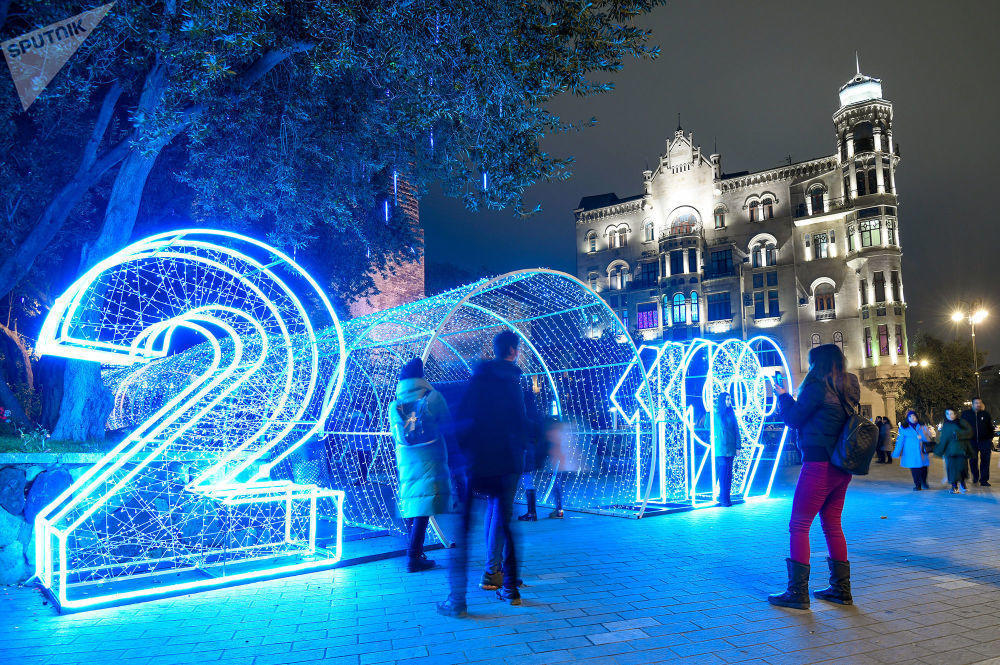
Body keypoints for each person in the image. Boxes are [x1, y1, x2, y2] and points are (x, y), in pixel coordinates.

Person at [438, 330, 530, 617]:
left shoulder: (478, 378)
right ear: (513, 351)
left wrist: (467, 454)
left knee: (464, 531)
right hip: (507, 464)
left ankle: (457, 601)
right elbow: (522, 424)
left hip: (478, 463)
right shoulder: (515, 383)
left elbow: (462, 417)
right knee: (506, 523)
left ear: (495, 350)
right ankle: (509, 588)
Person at [769, 343, 859, 610]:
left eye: (810, 363)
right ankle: (841, 590)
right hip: (842, 466)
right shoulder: (849, 386)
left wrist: (784, 396)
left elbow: (794, 419)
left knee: (799, 525)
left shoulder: (817, 386)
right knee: (832, 525)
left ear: (817, 364)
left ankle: (798, 593)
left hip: (819, 465)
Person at [387, 358, 456, 573]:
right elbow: (448, 425)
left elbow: (395, 433)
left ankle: (415, 552)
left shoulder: (394, 405)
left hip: (407, 460)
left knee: (413, 504)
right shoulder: (432, 397)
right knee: (424, 507)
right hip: (430, 458)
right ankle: (413, 556)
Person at [933, 408, 974, 494]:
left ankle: (963, 484)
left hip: (961, 450)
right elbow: (943, 439)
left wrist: (958, 434)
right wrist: (939, 450)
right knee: (952, 470)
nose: (950, 416)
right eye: (947, 414)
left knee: (962, 468)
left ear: (955, 414)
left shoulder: (961, 422)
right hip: (950, 452)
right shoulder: (946, 425)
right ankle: (954, 487)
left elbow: (970, 432)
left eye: (951, 413)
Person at [713, 392, 741, 507]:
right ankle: (723, 498)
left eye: (730, 399)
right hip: (719, 448)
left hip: (730, 447)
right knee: (724, 470)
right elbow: (706, 426)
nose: (729, 401)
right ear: (722, 400)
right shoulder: (715, 413)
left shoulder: (731, 414)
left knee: (729, 473)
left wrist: (738, 446)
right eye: (727, 399)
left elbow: (736, 430)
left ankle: (726, 499)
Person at [893, 411, 930, 491]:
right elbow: (900, 441)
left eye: (914, 416)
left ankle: (924, 482)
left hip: (922, 451)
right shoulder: (904, 428)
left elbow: (929, 437)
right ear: (908, 418)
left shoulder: (922, 426)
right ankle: (917, 485)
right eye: (910, 417)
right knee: (915, 469)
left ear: (917, 417)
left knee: (924, 468)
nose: (912, 418)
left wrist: (922, 437)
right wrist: (896, 452)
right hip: (911, 452)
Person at [961, 398, 994, 487]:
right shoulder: (966, 414)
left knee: (985, 461)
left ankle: (984, 480)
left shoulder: (985, 414)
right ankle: (975, 476)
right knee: (973, 461)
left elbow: (990, 428)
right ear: (972, 404)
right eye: (976, 403)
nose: (978, 405)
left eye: (979, 403)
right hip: (971, 442)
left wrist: (990, 439)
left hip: (984, 442)